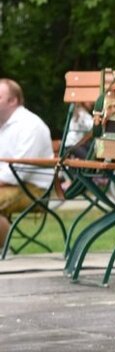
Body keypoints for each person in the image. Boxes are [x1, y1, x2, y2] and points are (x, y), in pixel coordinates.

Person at [0, 78, 54, 248]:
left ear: (13, 101)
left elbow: (17, 172)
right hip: (11, 185)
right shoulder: (4, 126)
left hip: (33, 190)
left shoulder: (30, 126)